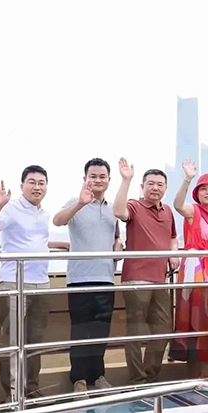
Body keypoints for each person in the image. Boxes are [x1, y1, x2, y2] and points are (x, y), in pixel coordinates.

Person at [0, 166, 69, 400]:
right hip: (14, 283)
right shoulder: (11, 208)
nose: (37, 187)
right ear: (22, 186)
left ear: (46, 187)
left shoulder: (44, 213)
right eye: (32, 182)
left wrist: (62, 245)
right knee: (13, 341)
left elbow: (34, 241)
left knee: (34, 342)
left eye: (41, 182)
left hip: (42, 283)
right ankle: (13, 393)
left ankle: (31, 389)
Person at [53, 158, 123, 396]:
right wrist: (81, 203)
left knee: (101, 331)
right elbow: (58, 220)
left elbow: (116, 236)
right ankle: (79, 379)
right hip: (79, 278)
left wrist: (118, 245)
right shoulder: (75, 202)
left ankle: (98, 376)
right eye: (93, 176)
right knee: (81, 331)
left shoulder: (113, 208)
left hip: (106, 278)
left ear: (109, 180)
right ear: (85, 179)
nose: (98, 180)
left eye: (102, 176)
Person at [112, 158, 178, 385]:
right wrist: (125, 180)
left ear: (165, 188)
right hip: (136, 278)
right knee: (135, 331)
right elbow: (118, 211)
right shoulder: (134, 206)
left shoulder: (168, 211)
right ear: (142, 186)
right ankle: (137, 378)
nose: (155, 188)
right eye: (150, 183)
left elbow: (173, 237)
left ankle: (150, 376)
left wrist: (174, 253)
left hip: (160, 279)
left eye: (160, 184)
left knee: (164, 328)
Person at [169, 159, 208, 379]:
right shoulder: (193, 210)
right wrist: (187, 179)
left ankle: (207, 375)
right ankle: (194, 376)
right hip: (195, 270)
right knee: (195, 320)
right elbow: (178, 205)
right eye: (203, 188)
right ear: (197, 193)